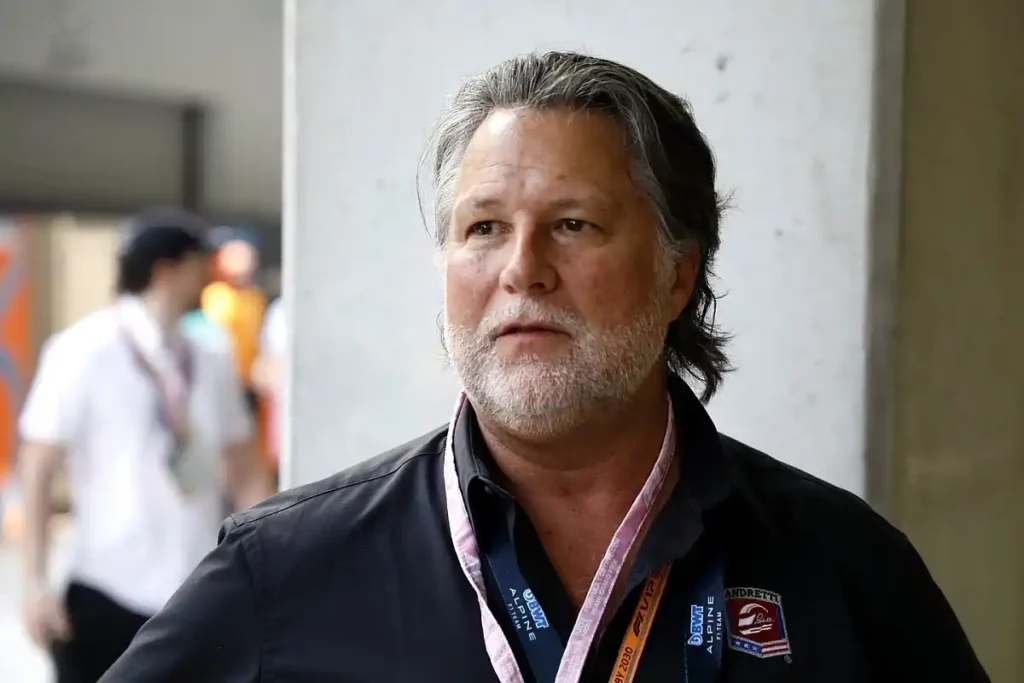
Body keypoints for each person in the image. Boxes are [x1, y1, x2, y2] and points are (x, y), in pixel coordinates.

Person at [100, 52, 989, 683]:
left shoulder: (846, 569)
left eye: (573, 224)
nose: (522, 268)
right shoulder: (288, 570)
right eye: (483, 228)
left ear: (678, 271)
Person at [18, 209, 270, 683]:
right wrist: (34, 582)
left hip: (198, 592)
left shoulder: (210, 355)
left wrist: (266, 565)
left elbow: (244, 467)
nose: (207, 279)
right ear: (166, 271)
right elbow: (36, 468)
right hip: (105, 591)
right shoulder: (82, 350)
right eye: (199, 265)